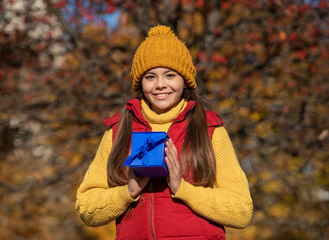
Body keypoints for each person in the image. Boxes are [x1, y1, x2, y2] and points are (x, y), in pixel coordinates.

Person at [75, 25, 253, 240]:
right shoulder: (118, 130)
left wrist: (182, 188)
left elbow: (241, 212)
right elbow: (86, 209)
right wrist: (128, 191)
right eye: (150, 77)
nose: (160, 85)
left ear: (184, 80)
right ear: (140, 82)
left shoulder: (209, 129)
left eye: (170, 75)